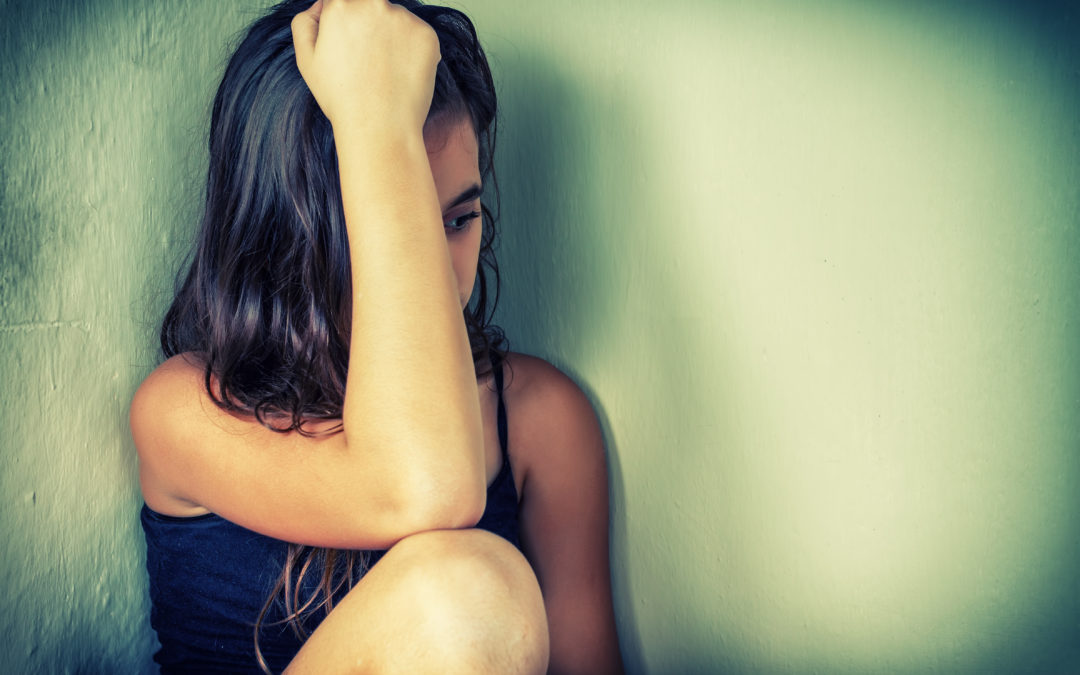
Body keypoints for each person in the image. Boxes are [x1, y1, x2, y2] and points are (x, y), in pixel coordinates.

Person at [129, 0, 623, 672]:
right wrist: (375, 123)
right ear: (287, 233)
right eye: (399, 217)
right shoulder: (187, 409)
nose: (441, 271)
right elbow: (424, 487)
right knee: (464, 595)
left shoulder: (538, 418)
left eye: (459, 218)